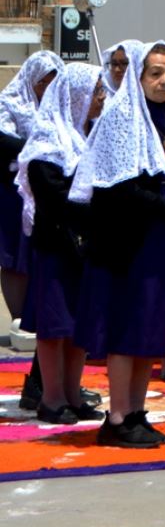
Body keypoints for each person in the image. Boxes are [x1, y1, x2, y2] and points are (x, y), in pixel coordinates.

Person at [71, 41, 165, 448]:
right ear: (138, 77)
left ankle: (136, 411)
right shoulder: (121, 117)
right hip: (127, 244)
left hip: (160, 243)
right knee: (126, 329)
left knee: (150, 329)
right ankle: (116, 418)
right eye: (156, 73)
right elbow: (120, 190)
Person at [17, 63, 104, 423]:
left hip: (84, 248)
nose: (101, 99)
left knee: (78, 326)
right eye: (97, 91)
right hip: (56, 246)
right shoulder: (47, 144)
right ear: (76, 96)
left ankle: (72, 391)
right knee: (54, 328)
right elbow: (55, 198)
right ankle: (51, 397)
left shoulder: (84, 138)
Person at [1, 50, 61, 348]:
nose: (47, 87)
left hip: (48, 189)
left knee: (41, 254)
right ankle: (19, 319)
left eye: (53, 81)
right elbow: (3, 140)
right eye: (43, 81)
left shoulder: (58, 106)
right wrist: (37, 147)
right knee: (15, 257)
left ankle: (39, 318)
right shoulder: (9, 102)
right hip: (15, 189)